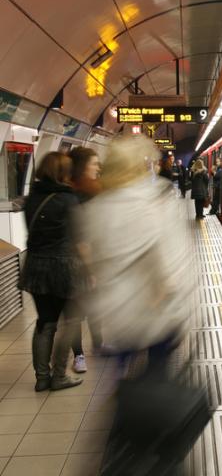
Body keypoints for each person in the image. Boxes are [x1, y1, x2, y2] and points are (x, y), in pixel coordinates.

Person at [73, 134, 193, 372]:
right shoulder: (153, 198)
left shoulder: (97, 206)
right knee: (157, 378)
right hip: (156, 316)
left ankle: (125, 399)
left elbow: (92, 257)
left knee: (125, 381)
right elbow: (166, 261)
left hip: (119, 317)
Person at [18, 152, 83, 391]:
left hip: (35, 266)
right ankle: (59, 376)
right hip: (64, 266)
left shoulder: (30, 199)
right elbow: (80, 237)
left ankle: (42, 377)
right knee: (72, 320)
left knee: (45, 322)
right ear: (63, 173)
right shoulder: (69, 200)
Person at [67, 147, 104, 373]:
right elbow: (78, 237)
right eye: (94, 163)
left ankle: (99, 344)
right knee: (74, 312)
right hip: (74, 261)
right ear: (82, 167)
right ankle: (78, 354)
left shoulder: (95, 191)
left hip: (93, 256)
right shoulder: (70, 196)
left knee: (95, 305)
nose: (98, 168)